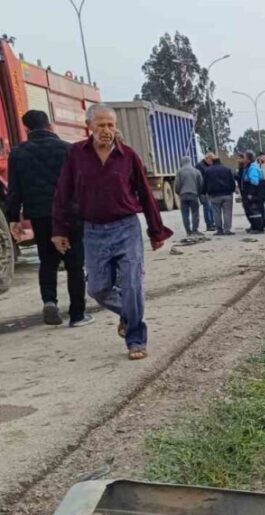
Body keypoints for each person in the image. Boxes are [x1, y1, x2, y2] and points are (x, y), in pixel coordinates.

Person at [51, 103, 173, 360]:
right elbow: (63, 192)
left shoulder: (128, 155)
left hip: (126, 227)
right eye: (101, 125)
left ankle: (136, 340)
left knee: (131, 284)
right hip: (93, 231)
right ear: (89, 127)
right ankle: (129, 316)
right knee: (97, 288)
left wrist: (156, 230)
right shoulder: (75, 154)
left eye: (110, 125)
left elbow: (145, 194)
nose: (107, 130)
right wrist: (59, 229)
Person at [5, 109, 92, 327]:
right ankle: (77, 314)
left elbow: (14, 190)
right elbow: (81, 185)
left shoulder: (18, 153)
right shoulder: (68, 149)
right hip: (70, 215)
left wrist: (13, 218)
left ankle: (50, 301)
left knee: (47, 261)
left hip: (40, 215)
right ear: (50, 125)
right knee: (74, 264)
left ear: (26, 129)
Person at [203, 156, 237, 235]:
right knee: (227, 212)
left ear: (212, 162)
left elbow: (205, 183)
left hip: (214, 195)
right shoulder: (227, 169)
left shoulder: (208, 171)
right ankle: (227, 229)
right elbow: (232, 182)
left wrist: (205, 192)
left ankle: (219, 230)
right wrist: (232, 190)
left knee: (216, 213)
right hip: (227, 194)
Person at [173, 156, 204, 235]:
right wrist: (198, 193)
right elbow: (200, 184)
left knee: (185, 214)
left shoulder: (179, 172)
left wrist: (179, 192)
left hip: (183, 195)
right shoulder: (196, 171)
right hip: (194, 195)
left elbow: (176, 185)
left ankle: (188, 230)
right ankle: (195, 229)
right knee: (195, 213)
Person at [240, 151, 265, 234]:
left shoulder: (252, 167)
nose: (242, 159)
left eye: (244, 157)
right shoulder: (248, 167)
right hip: (253, 191)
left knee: (255, 210)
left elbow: (254, 182)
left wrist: (250, 193)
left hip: (255, 192)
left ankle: (259, 228)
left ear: (248, 159)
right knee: (251, 210)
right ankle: (254, 225)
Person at [196, 152, 217, 232]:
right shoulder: (199, 166)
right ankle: (209, 224)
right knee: (207, 207)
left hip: (209, 189)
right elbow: (199, 179)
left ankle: (212, 223)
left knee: (211, 207)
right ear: (207, 158)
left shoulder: (210, 165)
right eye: (211, 160)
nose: (212, 162)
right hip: (203, 190)